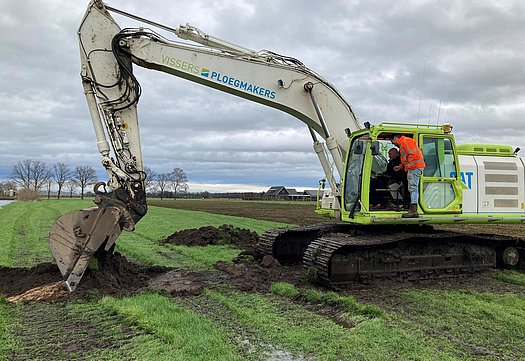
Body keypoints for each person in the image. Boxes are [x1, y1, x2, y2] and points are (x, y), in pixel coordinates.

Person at [391, 135, 425, 218]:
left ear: (395, 138)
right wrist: (401, 166)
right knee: (412, 188)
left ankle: (413, 210)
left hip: (415, 168)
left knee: (413, 188)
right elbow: (406, 157)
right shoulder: (403, 144)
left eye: (392, 141)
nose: (392, 143)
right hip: (414, 167)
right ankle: (412, 209)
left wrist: (409, 166)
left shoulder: (406, 142)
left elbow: (413, 155)